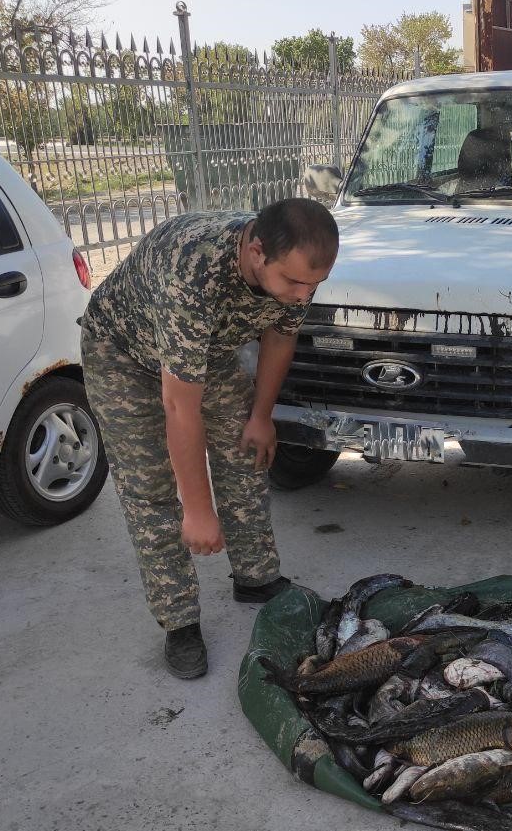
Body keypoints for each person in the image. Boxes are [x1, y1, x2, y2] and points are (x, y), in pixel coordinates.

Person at [80, 199, 339, 678]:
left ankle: (256, 578)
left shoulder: (292, 272)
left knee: (246, 448)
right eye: (295, 283)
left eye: (314, 285)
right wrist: (199, 510)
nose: (304, 296)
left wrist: (261, 416)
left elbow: (281, 338)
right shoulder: (192, 271)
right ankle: (179, 622)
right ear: (257, 252)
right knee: (150, 489)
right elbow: (181, 407)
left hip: (205, 350)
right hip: (123, 355)